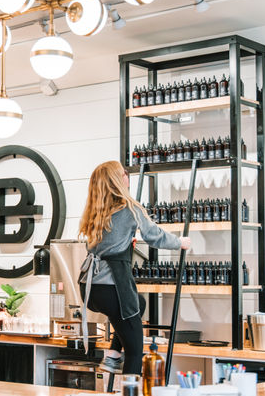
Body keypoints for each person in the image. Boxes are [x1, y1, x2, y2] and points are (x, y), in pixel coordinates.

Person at [78, 161, 191, 375]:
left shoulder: (96, 212)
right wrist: (180, 242)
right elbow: (153, 236)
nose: (127, 176)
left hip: (90, 288)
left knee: (138, 303)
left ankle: (112, 355)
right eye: (124, 173)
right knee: (135, 351)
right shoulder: (130, 207)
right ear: (119, 180)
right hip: (113, 288)